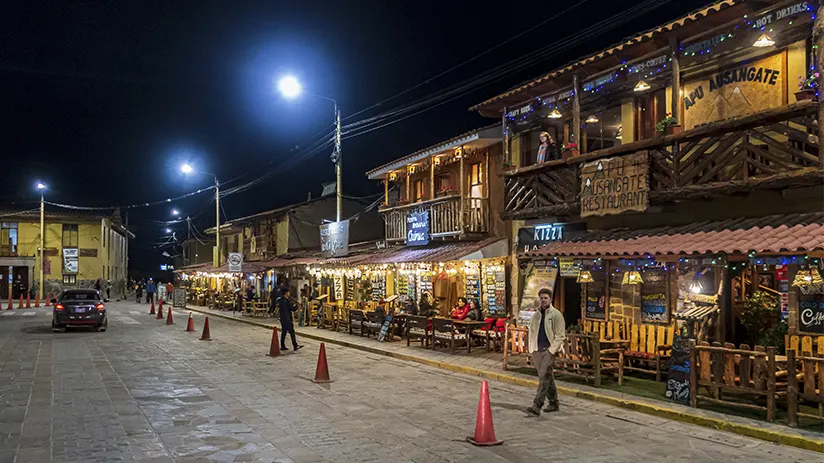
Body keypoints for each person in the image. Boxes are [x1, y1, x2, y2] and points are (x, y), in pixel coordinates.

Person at [526, 288, 566, 416]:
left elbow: (560, 335)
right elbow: (532, 331)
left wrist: (552, 350)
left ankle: (537, 405)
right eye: (541, 298)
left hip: (548, 350)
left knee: (543, 376)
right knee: (547, 377)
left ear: (550, 299)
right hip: (537, 350)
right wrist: (531, 348)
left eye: (545, 298)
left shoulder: (556, 315)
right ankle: (554, 402)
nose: (543, 300)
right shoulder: (536, 315)